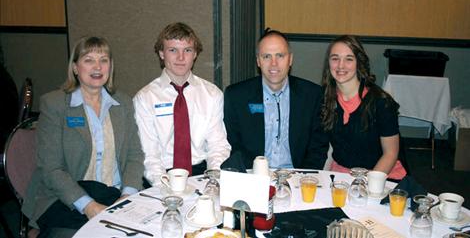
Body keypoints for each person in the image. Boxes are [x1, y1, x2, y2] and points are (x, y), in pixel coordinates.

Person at [22, 37, 144, 238]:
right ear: (75, 68)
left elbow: (134, 155)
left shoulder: (123, 103)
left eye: (104, 60)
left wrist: (127, 196)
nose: (97, 67)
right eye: (89, 60)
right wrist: (89, 206)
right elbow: (51, 168)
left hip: (115, 195)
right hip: (66, 197)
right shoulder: (55, 104)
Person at [133, 22, 231, 186]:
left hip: (202, 174)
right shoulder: (145, 98)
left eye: (187, 50)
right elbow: (149, 154)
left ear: (195, 55)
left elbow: (218, 146)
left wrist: (213, 180)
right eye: (173, 50)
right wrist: (164, 187)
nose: (180, 57)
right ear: (161, 54)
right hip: (161, 176)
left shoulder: (212, 94)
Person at [223, 29, 328, 170]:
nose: (274, 63)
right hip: (252, 176)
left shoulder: (312, 95)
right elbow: (233, 145)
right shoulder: (236, 96)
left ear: (290, 59)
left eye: (280, 55)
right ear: (258, 61)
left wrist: (304, 178)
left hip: (298, 177)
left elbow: (318, 147)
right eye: (266, 56)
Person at [321, 35, 406, 179]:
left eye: (349, 59)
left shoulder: (381, 103)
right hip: (342, 174)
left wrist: (368, 185)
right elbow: (329, 148)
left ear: (359, 63)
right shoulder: (325, 99)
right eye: (335, 58)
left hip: (381, 175)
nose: (341, 65)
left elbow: (390, 154)